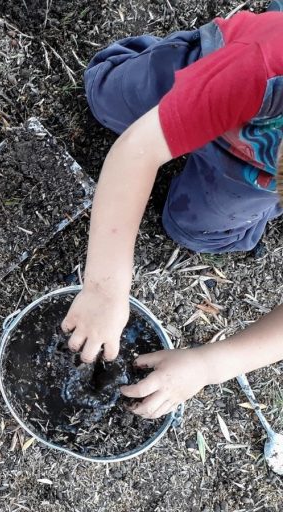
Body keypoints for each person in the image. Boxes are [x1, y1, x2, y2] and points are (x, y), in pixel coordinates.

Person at [62, 9, 283, 419]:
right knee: (103, 94)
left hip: (256, 169)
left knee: (194, 231)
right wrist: (105, 290)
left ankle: (249, 213)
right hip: (217, 76)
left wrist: (208, 365)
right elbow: (137, 149)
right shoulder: (267, 62)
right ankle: (167, 73)